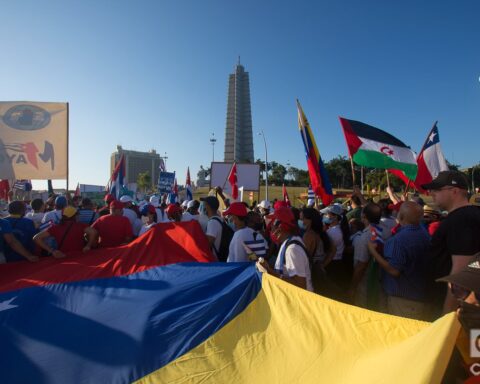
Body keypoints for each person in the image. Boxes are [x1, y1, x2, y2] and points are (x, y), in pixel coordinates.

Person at [422, 171, 480, 315]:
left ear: (455, 191)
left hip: (454, 309)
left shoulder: (460, 220)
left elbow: (460, 271)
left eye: (437, 189)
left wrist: (447, 314)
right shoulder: (469, 215)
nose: (431, 193)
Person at [367, 202, 430, 320]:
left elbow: (394, 271)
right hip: (418, 296)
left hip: (402, 301)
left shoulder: (399, 240)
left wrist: (373, 251)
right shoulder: (424, 233)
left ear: (401, 217)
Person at [258, 207, 313, 291]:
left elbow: (301, 285)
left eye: (272, 225)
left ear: (280, 228)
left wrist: (270, 272)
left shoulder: (293, 249)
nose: (270, 229)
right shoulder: (288, 242)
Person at [348, 202, 383, 308]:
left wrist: (352, 287)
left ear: (363, 217)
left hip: (366, 283)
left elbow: (361, 265)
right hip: (381, 281)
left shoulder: (364, 237)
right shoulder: (385, 230)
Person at [300, 207, 333, 293]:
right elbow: (333, 250)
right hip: (320, 273)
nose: (301, 221)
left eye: (303, 219)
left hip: (312, 275)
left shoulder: (309, 235)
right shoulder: (321, 232)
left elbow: (304, 258)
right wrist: (322, 265)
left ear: (310, 220)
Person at [201, 196, 223, 260]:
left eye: (204, 205)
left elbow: (207, 244)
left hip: (215, 260)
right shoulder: (220, 219)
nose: (203, 207)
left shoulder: (213, 222)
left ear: (207, 206)